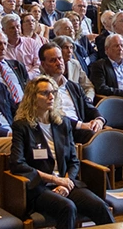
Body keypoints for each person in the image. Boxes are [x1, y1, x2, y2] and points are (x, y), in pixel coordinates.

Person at [9, 76, 114, 229]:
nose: (51, 97)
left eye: (53, 92)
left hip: (66, 183)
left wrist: (66, 183)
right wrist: (55, 180)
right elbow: (17, 164)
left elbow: (73, 160)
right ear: (32, 98)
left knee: (100, 205)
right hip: (39, 188)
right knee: (67, 207)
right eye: (45, 93)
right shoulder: (22, 126)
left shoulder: (62, 123)